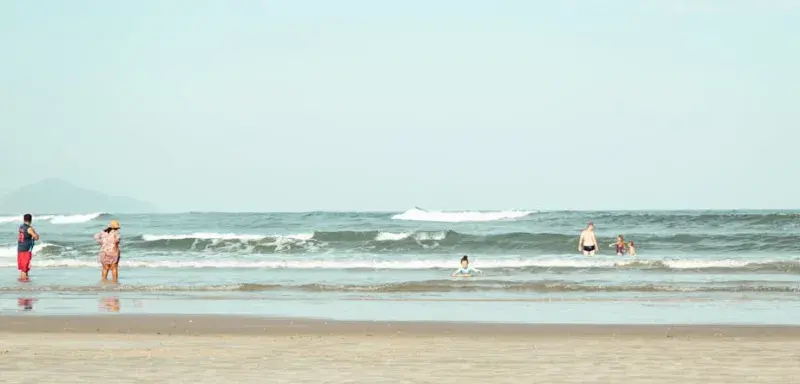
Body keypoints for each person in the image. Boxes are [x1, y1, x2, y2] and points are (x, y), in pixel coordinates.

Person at [17, 213, 40, 281]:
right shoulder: (29, 228)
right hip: (26, 249)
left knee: (23, 268)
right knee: (25, 268)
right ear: (31, 220)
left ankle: (23, 281)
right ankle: (24, 283)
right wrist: (35, 234)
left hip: (20, 248)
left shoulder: (21, 227)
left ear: (24, 219)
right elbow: (36, 237)